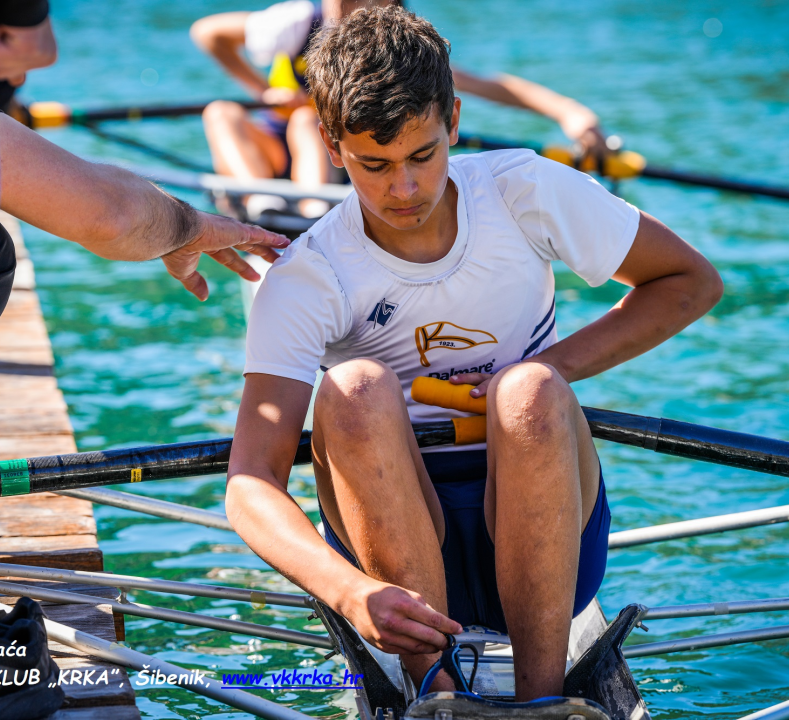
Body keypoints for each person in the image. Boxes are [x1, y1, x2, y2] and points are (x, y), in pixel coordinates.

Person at [226, 5, 722, 700]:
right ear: (329, 143)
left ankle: (540, 699)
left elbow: (689, 282)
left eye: (422, 155)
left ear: (453, 120)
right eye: (374, 164)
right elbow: (249, 482)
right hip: (389, 548)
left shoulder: (524, 189)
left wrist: (549, 369)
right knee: (354, 388)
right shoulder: (309, 273)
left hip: (547, 522)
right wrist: (347, 593)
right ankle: (434, 693)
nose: (403, 189)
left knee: (529, 392)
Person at [0, 0, 286, 713]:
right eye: (20, 11)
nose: (40, 52)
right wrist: (189, 226)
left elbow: (71, 179)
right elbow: (104, 212)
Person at [190, 0, 609, 219]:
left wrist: (569, 112)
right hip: (273, 149)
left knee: (305, 119)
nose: (353, 8)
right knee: (221, 113)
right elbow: (207, 33)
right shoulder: (299, 21)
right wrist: (262, 91)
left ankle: (311, 212)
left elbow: (486, 83)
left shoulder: (399, 45)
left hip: (340, 157)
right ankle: (266, 204)